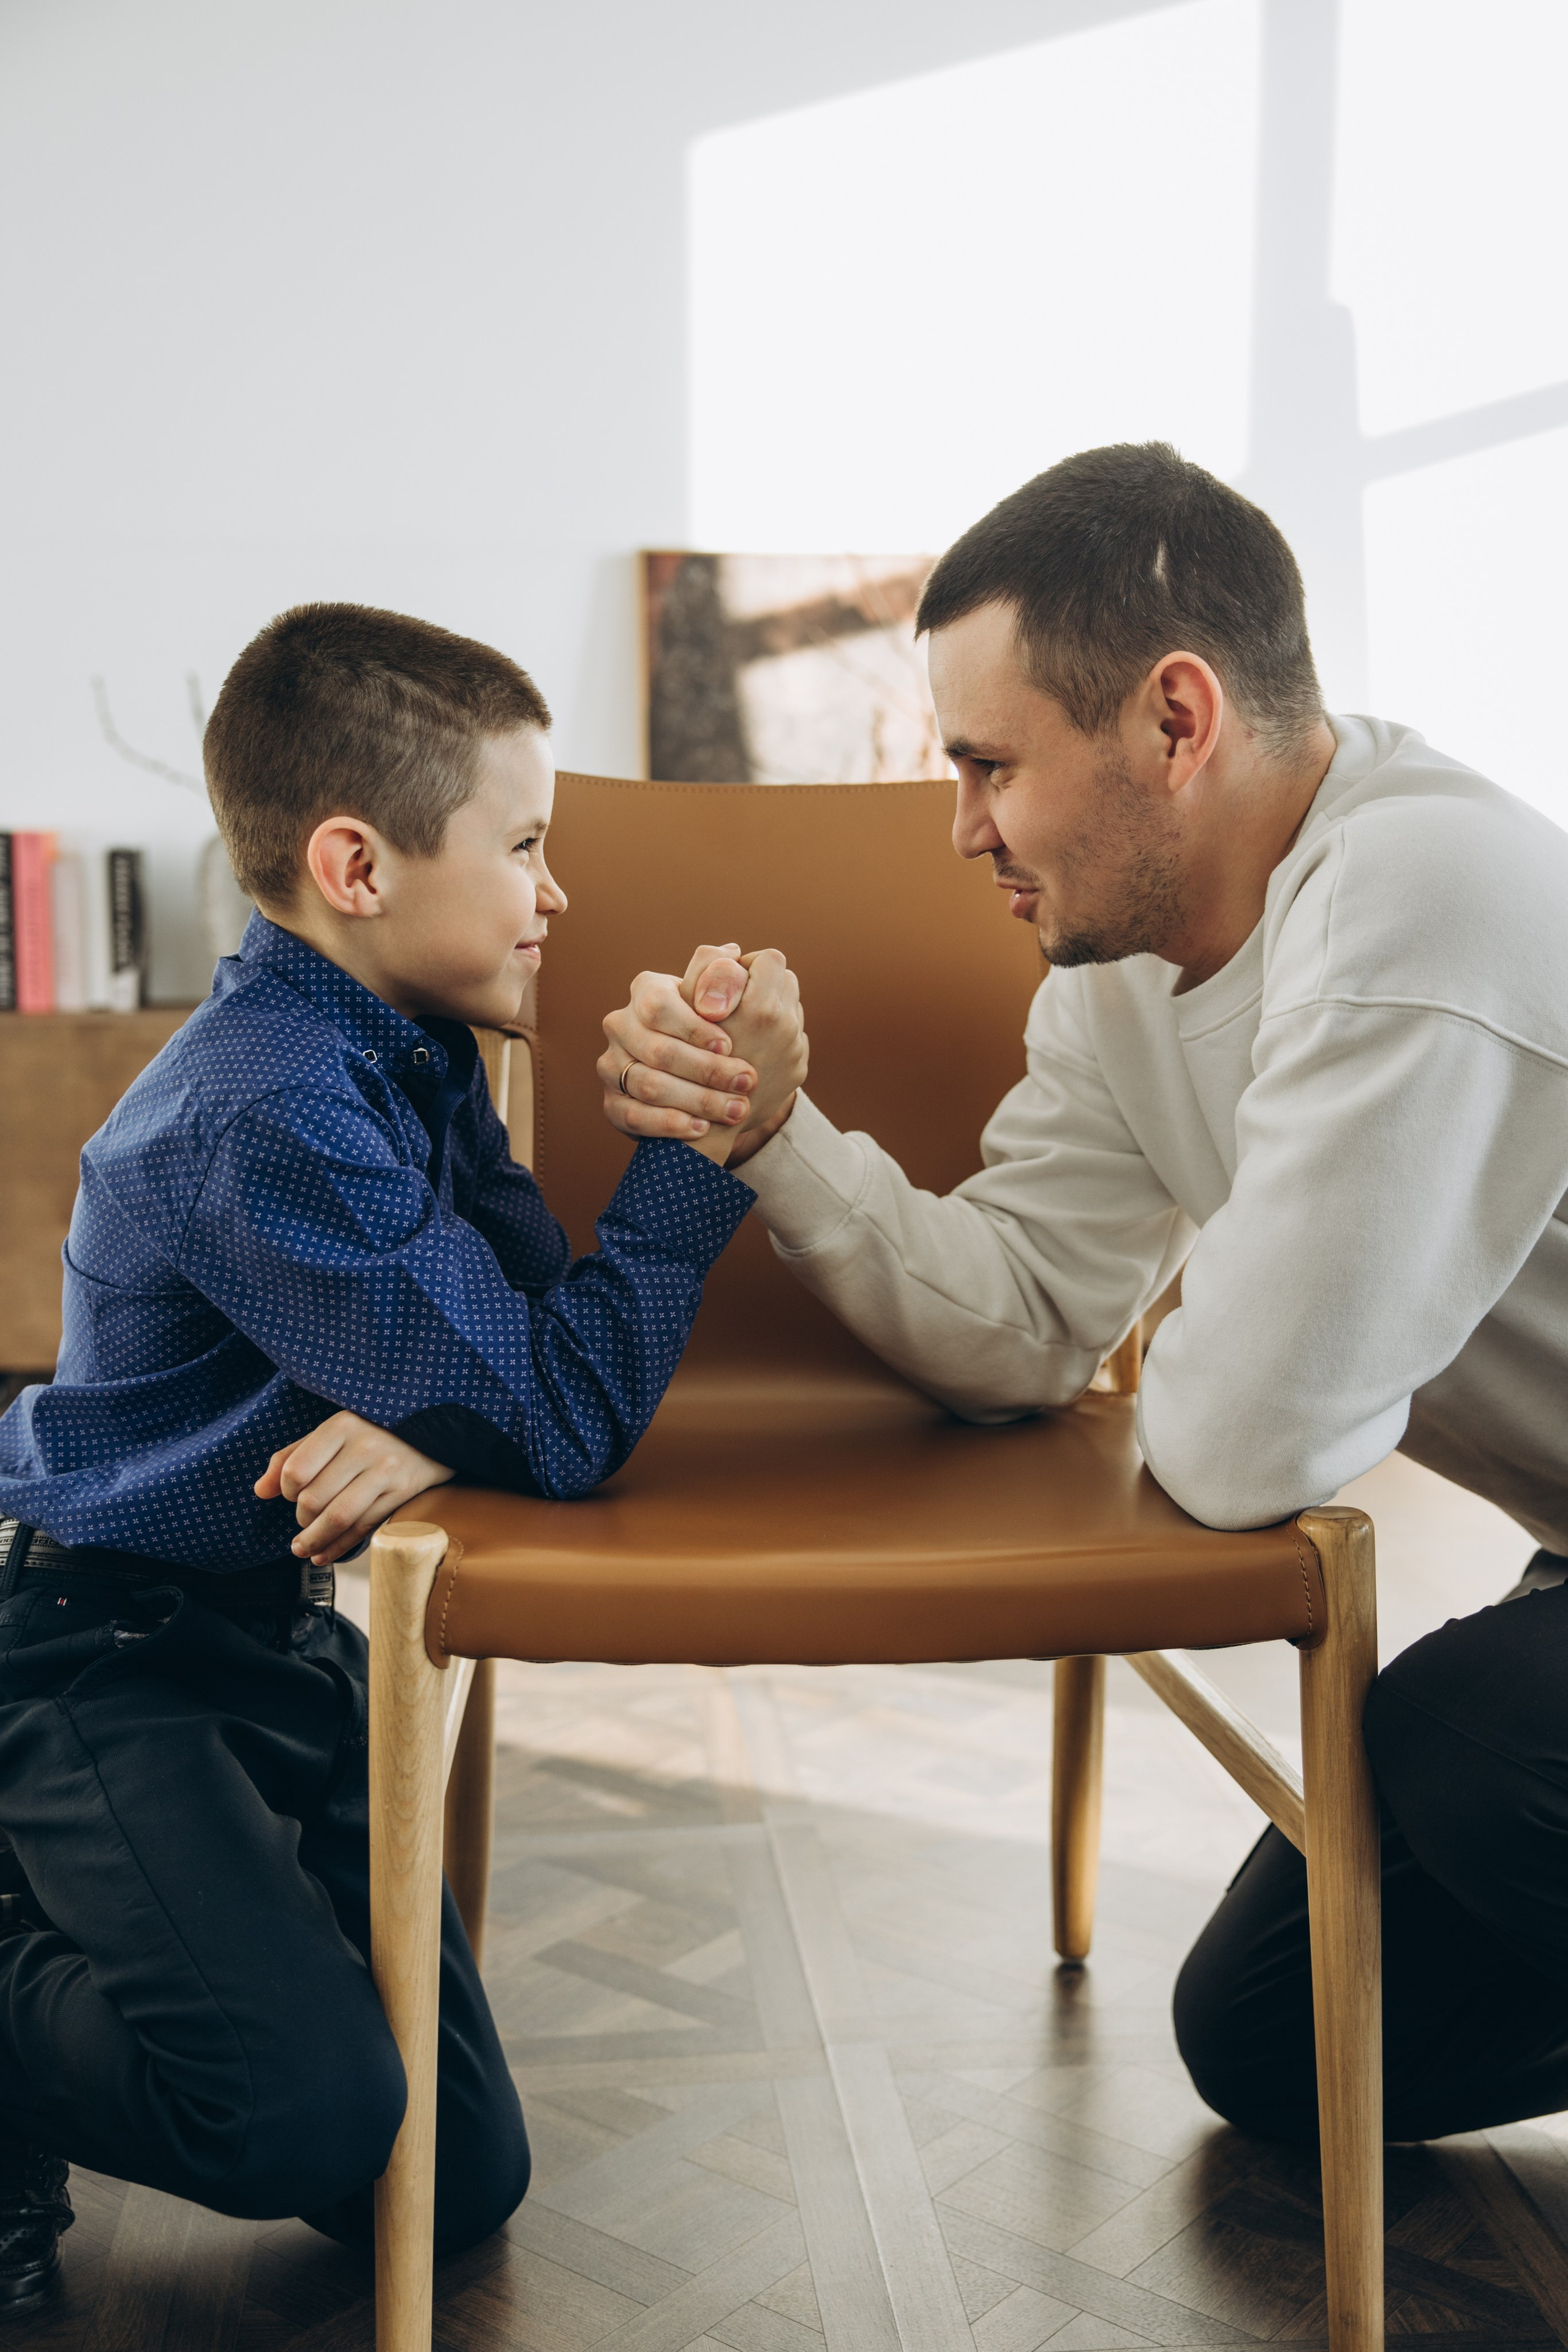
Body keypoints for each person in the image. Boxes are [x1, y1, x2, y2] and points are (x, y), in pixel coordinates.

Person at [600, 442, 1568, 2150]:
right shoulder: (1124, 982)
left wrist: (1228, 1333)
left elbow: (1246, 1444)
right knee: (1271, 2036)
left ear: (1176, 722)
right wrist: (773, 1132)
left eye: (989, 766)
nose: (960, 825)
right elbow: (1026, 1317)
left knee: (1471, 1739)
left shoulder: (1420, 896)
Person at [0, 603, 805, 2315]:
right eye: (525, 846)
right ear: (356, 863)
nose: (557, 892)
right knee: (301, 2121)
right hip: (106, 1660)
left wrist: (441, 1418)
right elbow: (565, 1420)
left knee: (460, 2183)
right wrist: (695, 1142)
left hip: (273, 1636)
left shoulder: (415, 1051)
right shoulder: (266, 1109)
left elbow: (514, 1351)